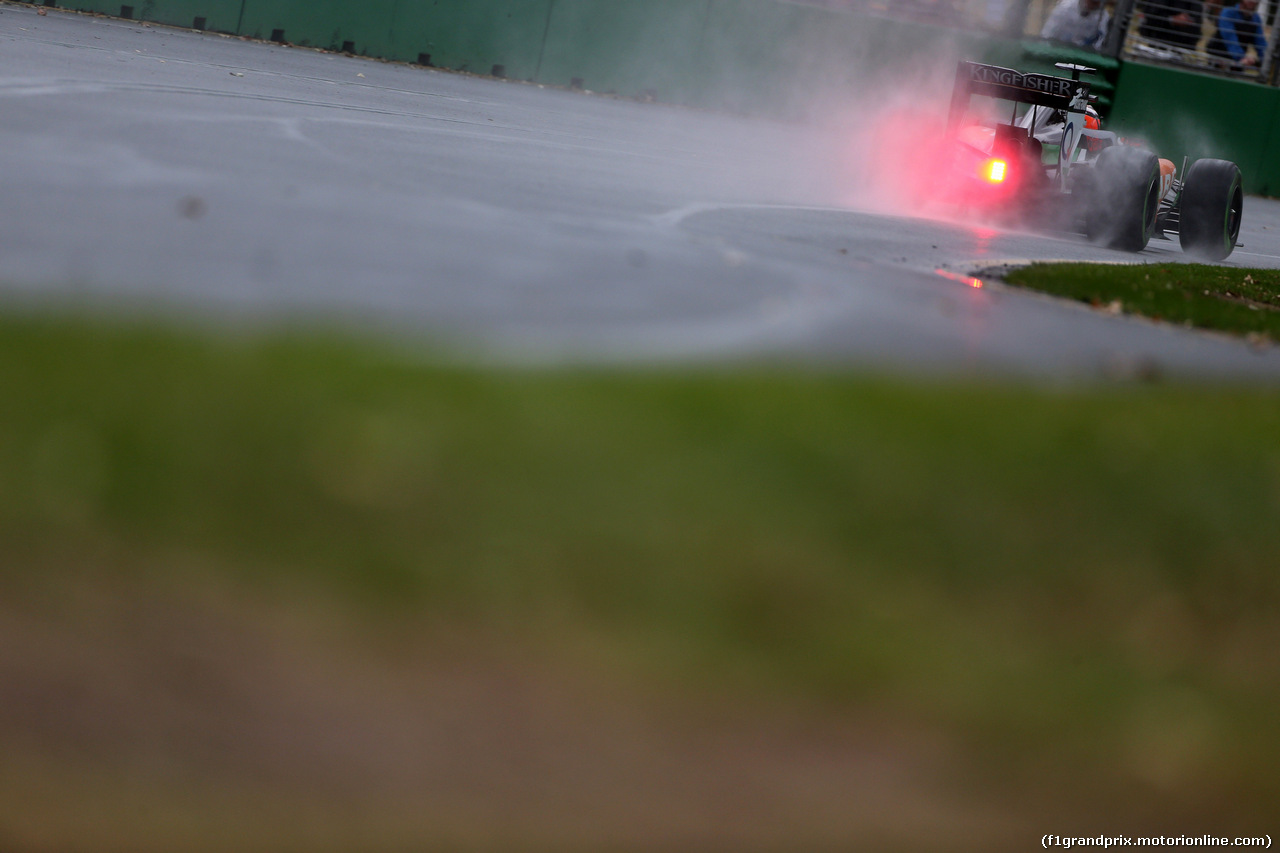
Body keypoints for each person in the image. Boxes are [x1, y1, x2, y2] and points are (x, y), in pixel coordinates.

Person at [1207, 0, 1268, 67]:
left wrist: (1267, 60)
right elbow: (1230, 38)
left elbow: (1260, 42)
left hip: (1239, 63)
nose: (1252, 1)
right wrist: (1241, 57)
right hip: (1218, 57)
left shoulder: (1256, 19)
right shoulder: (1228, 12)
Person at [1041, 0, 1111, 48]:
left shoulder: (1103, 17)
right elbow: (1048, 34)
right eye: (1092, 1)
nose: (1094, 5)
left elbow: (1101, 41)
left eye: (1098, 3)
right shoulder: (1065, 8)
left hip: (1083, 55)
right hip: (1058, 49)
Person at [1138, 0, 1205, 50]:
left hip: (1181, 49)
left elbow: (1197, 31)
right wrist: (1172, 20)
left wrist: (1188, 23)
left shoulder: (1196, 5)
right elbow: (1150, 18)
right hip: (1158, 44)